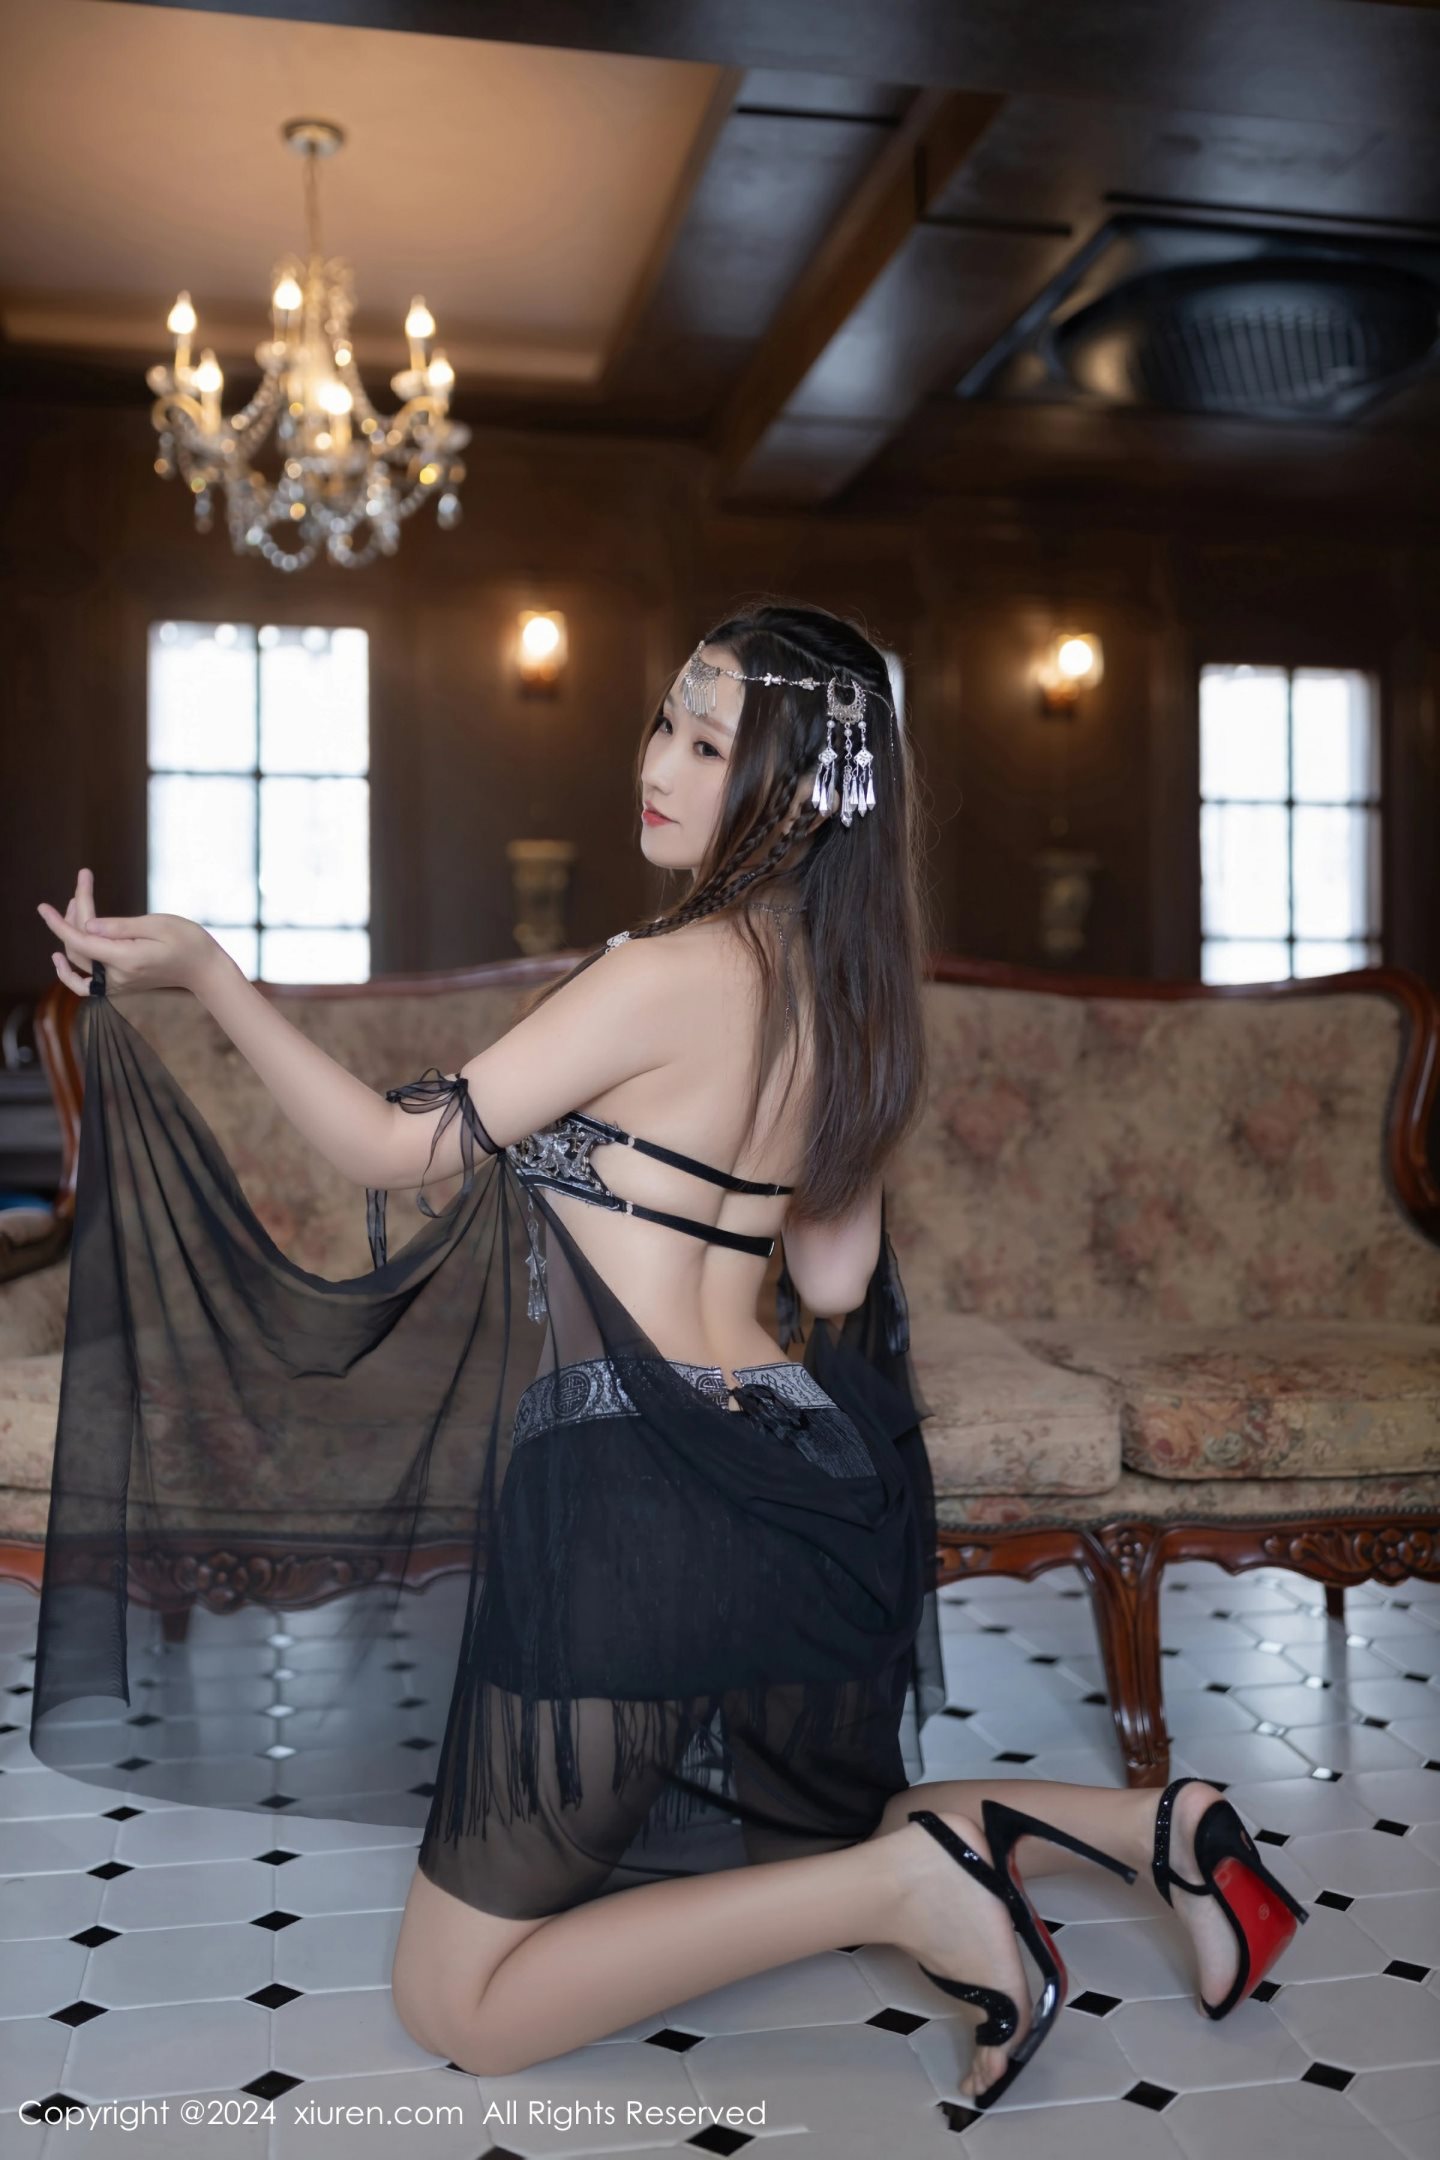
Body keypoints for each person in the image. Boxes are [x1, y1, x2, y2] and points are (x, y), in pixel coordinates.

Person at [33, 603, 1307, 2109]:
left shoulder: (663, 969)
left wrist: (207, 972)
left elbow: (393, 1149)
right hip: (805, 1469)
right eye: (669, 723)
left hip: (639, 1480)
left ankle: (915, 1892)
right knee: (808, 1829)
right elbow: (833, 1275)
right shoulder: (852, 998)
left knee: (460, 2003)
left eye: (711, 745)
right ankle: (1159, 1830)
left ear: (798, 789)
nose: (659, 764)